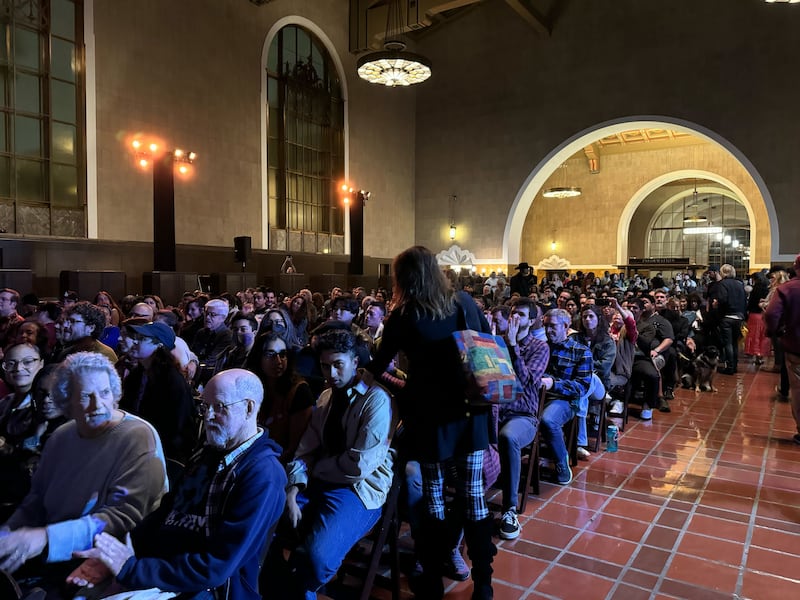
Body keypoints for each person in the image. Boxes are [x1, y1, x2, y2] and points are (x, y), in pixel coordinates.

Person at [69, 369, 287, 599]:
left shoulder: (263, 475)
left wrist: (130, 569)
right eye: (205, 407)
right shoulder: (207, 453)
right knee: (78, 592)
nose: (208, 416)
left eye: (219, 407)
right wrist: (120, 551)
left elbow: (215, 569)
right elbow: (166, 514)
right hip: (159, 568)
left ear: (249, 408)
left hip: (202, 589)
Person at [366, 246, 496, 599]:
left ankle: (433, 582)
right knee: (474, 497)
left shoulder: (404, 315)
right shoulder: (464, 303)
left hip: (431, 415)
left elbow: (378, 366)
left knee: (435, 498)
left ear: (404, 278)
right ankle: (484, 582)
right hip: (471, 412)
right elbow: (488, 351)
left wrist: (386, 378)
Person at [0, 352, 166, 596]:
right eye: (86, 396)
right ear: (66, 401)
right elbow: (36, 502)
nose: (97, 404)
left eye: (105, 393)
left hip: (104, 560)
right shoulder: (61, 436)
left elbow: (125, 518)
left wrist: (46, 537)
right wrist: (7, 533)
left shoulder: (137, 435)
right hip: (52, 553)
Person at [267, 329, 394, 599]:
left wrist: (316, 469)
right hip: (318, 480)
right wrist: (293, 488)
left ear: (355, 363)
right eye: (325, 366)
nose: (331, 374)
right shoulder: (326, 397)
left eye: (338, 365)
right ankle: (286, 586)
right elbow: (305, 451)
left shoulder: (376, 400)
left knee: (316, 558)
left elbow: (358, 466)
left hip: (358, 489)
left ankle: (295, 587)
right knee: (266, 521)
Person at [497, 298, 548, 540]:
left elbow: (527, 381)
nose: (514, 319)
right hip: (495, 409)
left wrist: (513, 345)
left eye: (521, 315)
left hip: (522, 414)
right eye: (512, 314)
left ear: (532, 321)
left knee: (507, 437)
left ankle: (509, 509)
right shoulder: (497, 343)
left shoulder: (539, 347)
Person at [120, 322, 198, 462]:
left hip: (161, 453)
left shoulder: (172, 380)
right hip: (136, 444)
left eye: (143, 339)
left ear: (159, 345)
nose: (135, 341)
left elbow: (177, 428)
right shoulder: (138, 374)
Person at [540, 309, 593, 485]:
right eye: (545, 326)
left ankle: (561, 462)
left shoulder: (581, 351)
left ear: (565, 326)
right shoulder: (541, 347)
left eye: (552, 326)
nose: (548, 330)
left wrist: (554, 384)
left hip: (564, 399)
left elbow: (581, 387)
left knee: (548, 420)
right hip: (537, 395)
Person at [249, 332, 314, 464]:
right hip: (251, 454)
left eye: (283, 354)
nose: (278, 361)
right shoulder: (251, 385)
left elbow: (293, 448)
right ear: (258, 357)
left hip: (277, 462)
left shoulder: (299, 391)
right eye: (270, 354)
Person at [0, 343, 45, 515]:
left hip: (24, 498)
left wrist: (7, 448)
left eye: (28, 362)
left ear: (41, 364)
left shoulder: (45, 407)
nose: (18, 368)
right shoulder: (6, 402)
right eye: (11, 363)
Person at [764, 254, 800, 443]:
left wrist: (774, 331)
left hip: (795, 346)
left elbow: (771, 314)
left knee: (798, 388)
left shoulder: (787, 289)